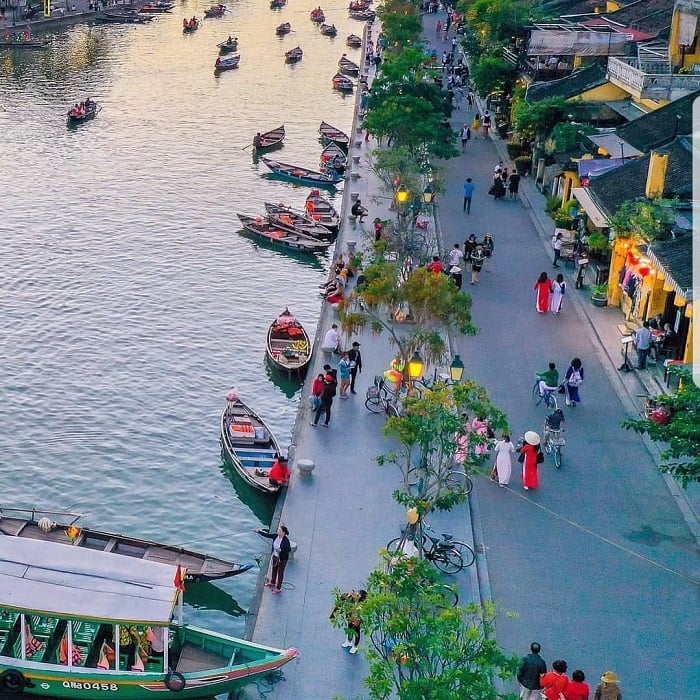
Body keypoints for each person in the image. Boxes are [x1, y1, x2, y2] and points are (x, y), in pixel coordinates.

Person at [256, 525, 291, 594]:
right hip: (275, 556)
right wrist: (258, 531)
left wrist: (281, 550)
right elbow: (267, 535)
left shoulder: (286, 541)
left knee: (280, 573)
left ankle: (278, 588)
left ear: (283, 533)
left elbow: (288, 549)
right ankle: (272, 582)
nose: (278, 531)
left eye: (280, 530)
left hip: (282, 559)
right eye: (278, 530)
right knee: (274, 569)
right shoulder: (275, 536)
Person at [330, 589, 367, 654]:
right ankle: (349, 641)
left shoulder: (361, 605)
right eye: (356, 593)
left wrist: (359, 620)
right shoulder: (350, 597)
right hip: (350, 617)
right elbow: (341, 600)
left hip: (357, 619)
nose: (356, 595)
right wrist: (334, 613)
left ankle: (355, 646)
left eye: (358, 595)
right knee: (349, 628)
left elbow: (363, 614)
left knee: (356, 631)